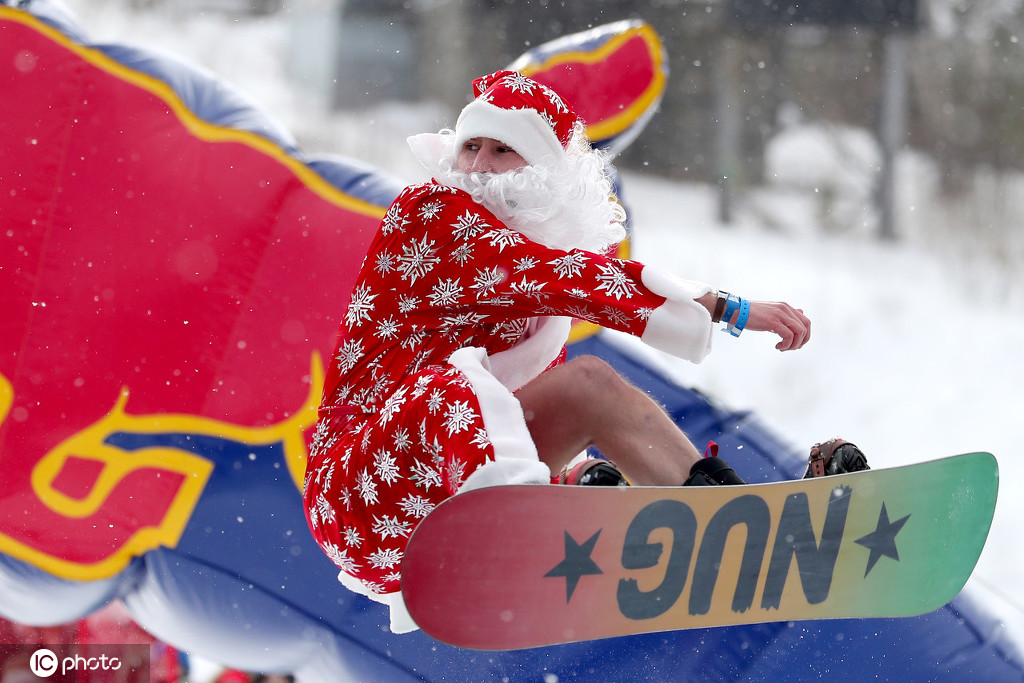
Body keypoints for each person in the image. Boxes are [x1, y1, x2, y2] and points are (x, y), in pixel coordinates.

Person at [302, 69, 868, 633]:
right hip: (359, 490)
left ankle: (732, 521)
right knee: (453, 384)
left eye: (503, 150)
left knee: (589, 387)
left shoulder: (532, 302)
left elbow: (540, 333)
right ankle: (526, 528)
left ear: (546, 172)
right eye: (470, 146)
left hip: (441, 499)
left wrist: (576, 472)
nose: (477, 166)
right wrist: (727, 307)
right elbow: (567, 276)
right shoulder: (432, 211)